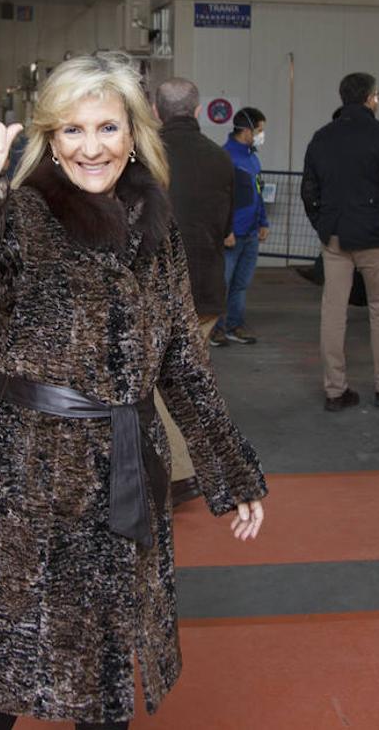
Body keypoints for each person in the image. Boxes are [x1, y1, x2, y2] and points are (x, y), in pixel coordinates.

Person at [0, 52, 268, 729]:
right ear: (50, 139)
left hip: (125, 467)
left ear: (134, 134)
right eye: (72, 131)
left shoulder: (155, 228)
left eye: (108, 128)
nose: (91, 148)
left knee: (109, 655)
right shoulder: (21, 216)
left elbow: (182, 362)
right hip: (27, 471)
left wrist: (232, 469)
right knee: (3, 651)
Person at [301, 72, 379, 412]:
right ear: (370, 98)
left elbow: (309, 189)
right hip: (376, 236)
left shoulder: (322, 137)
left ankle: (335, 390)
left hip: (335, 236)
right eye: (378, 95)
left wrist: (322, 224)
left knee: (332, 312)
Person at [154, 77, 234, 500]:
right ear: (199, 111)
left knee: (152, 383)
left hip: (156, 288)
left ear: (155, 111)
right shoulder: (221, 159)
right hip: (205, 287)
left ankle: (171, 472)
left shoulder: (143, 157)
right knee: (191, 379)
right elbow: (224, 227)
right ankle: (189, 469)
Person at [212, 106, 271, 346]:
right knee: (222, 284)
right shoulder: (225, 158)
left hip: (251, 234)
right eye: (259, 130)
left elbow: (258, 191)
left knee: (240, 284)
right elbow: (219, 199)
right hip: (232, 236)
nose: (261, 135)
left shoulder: (252, 157)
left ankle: (234, 325)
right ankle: (215, 328)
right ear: (246, 130)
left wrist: (263, 221)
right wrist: (226, 230)